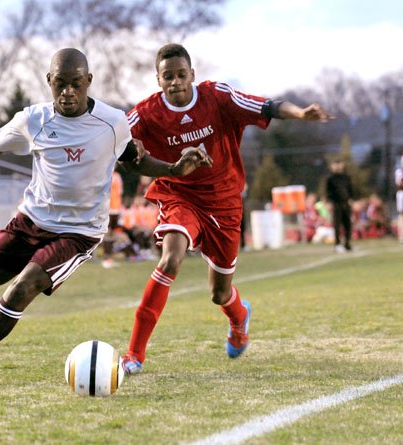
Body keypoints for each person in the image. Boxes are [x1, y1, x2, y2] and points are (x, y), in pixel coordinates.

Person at [0, 48, 212, 390]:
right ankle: (32, 262)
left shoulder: (112, 122)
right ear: (49, 82)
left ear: (88, 82)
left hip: (78, 233)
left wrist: (174, 169)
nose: (68, 92)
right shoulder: (33, 120)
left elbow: (134, 160)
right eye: (60, 84)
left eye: (75, 84)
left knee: (21, 289)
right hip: (29, 222)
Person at [121, 43, 332, 374]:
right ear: (158, 80)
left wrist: (301, 114)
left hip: (224, 202)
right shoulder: (147, 112)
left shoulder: (217, 97)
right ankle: (134, 354)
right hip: (180, 194)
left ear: (192, 74)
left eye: (180, 75)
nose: (175, 82)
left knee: (219, 293)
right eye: (167, 77)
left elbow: (267, 106)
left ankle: (239, 318)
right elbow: (110, 133)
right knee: (170, 257)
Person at [325, 158, 354, 253]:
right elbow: (328, 192)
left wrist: (351, 199)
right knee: (337, 225)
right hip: (336, 204)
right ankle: (337, 244)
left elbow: (350, 189)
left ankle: (347, 244)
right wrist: (329, 202)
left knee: (348, 225)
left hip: (346, 203)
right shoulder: (331, 178)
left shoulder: (346, 177)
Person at [396, 155, 403, 243]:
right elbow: (399, 184)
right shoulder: (399, 172)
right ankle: (401, 235)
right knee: (401, 215)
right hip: (401, 194)